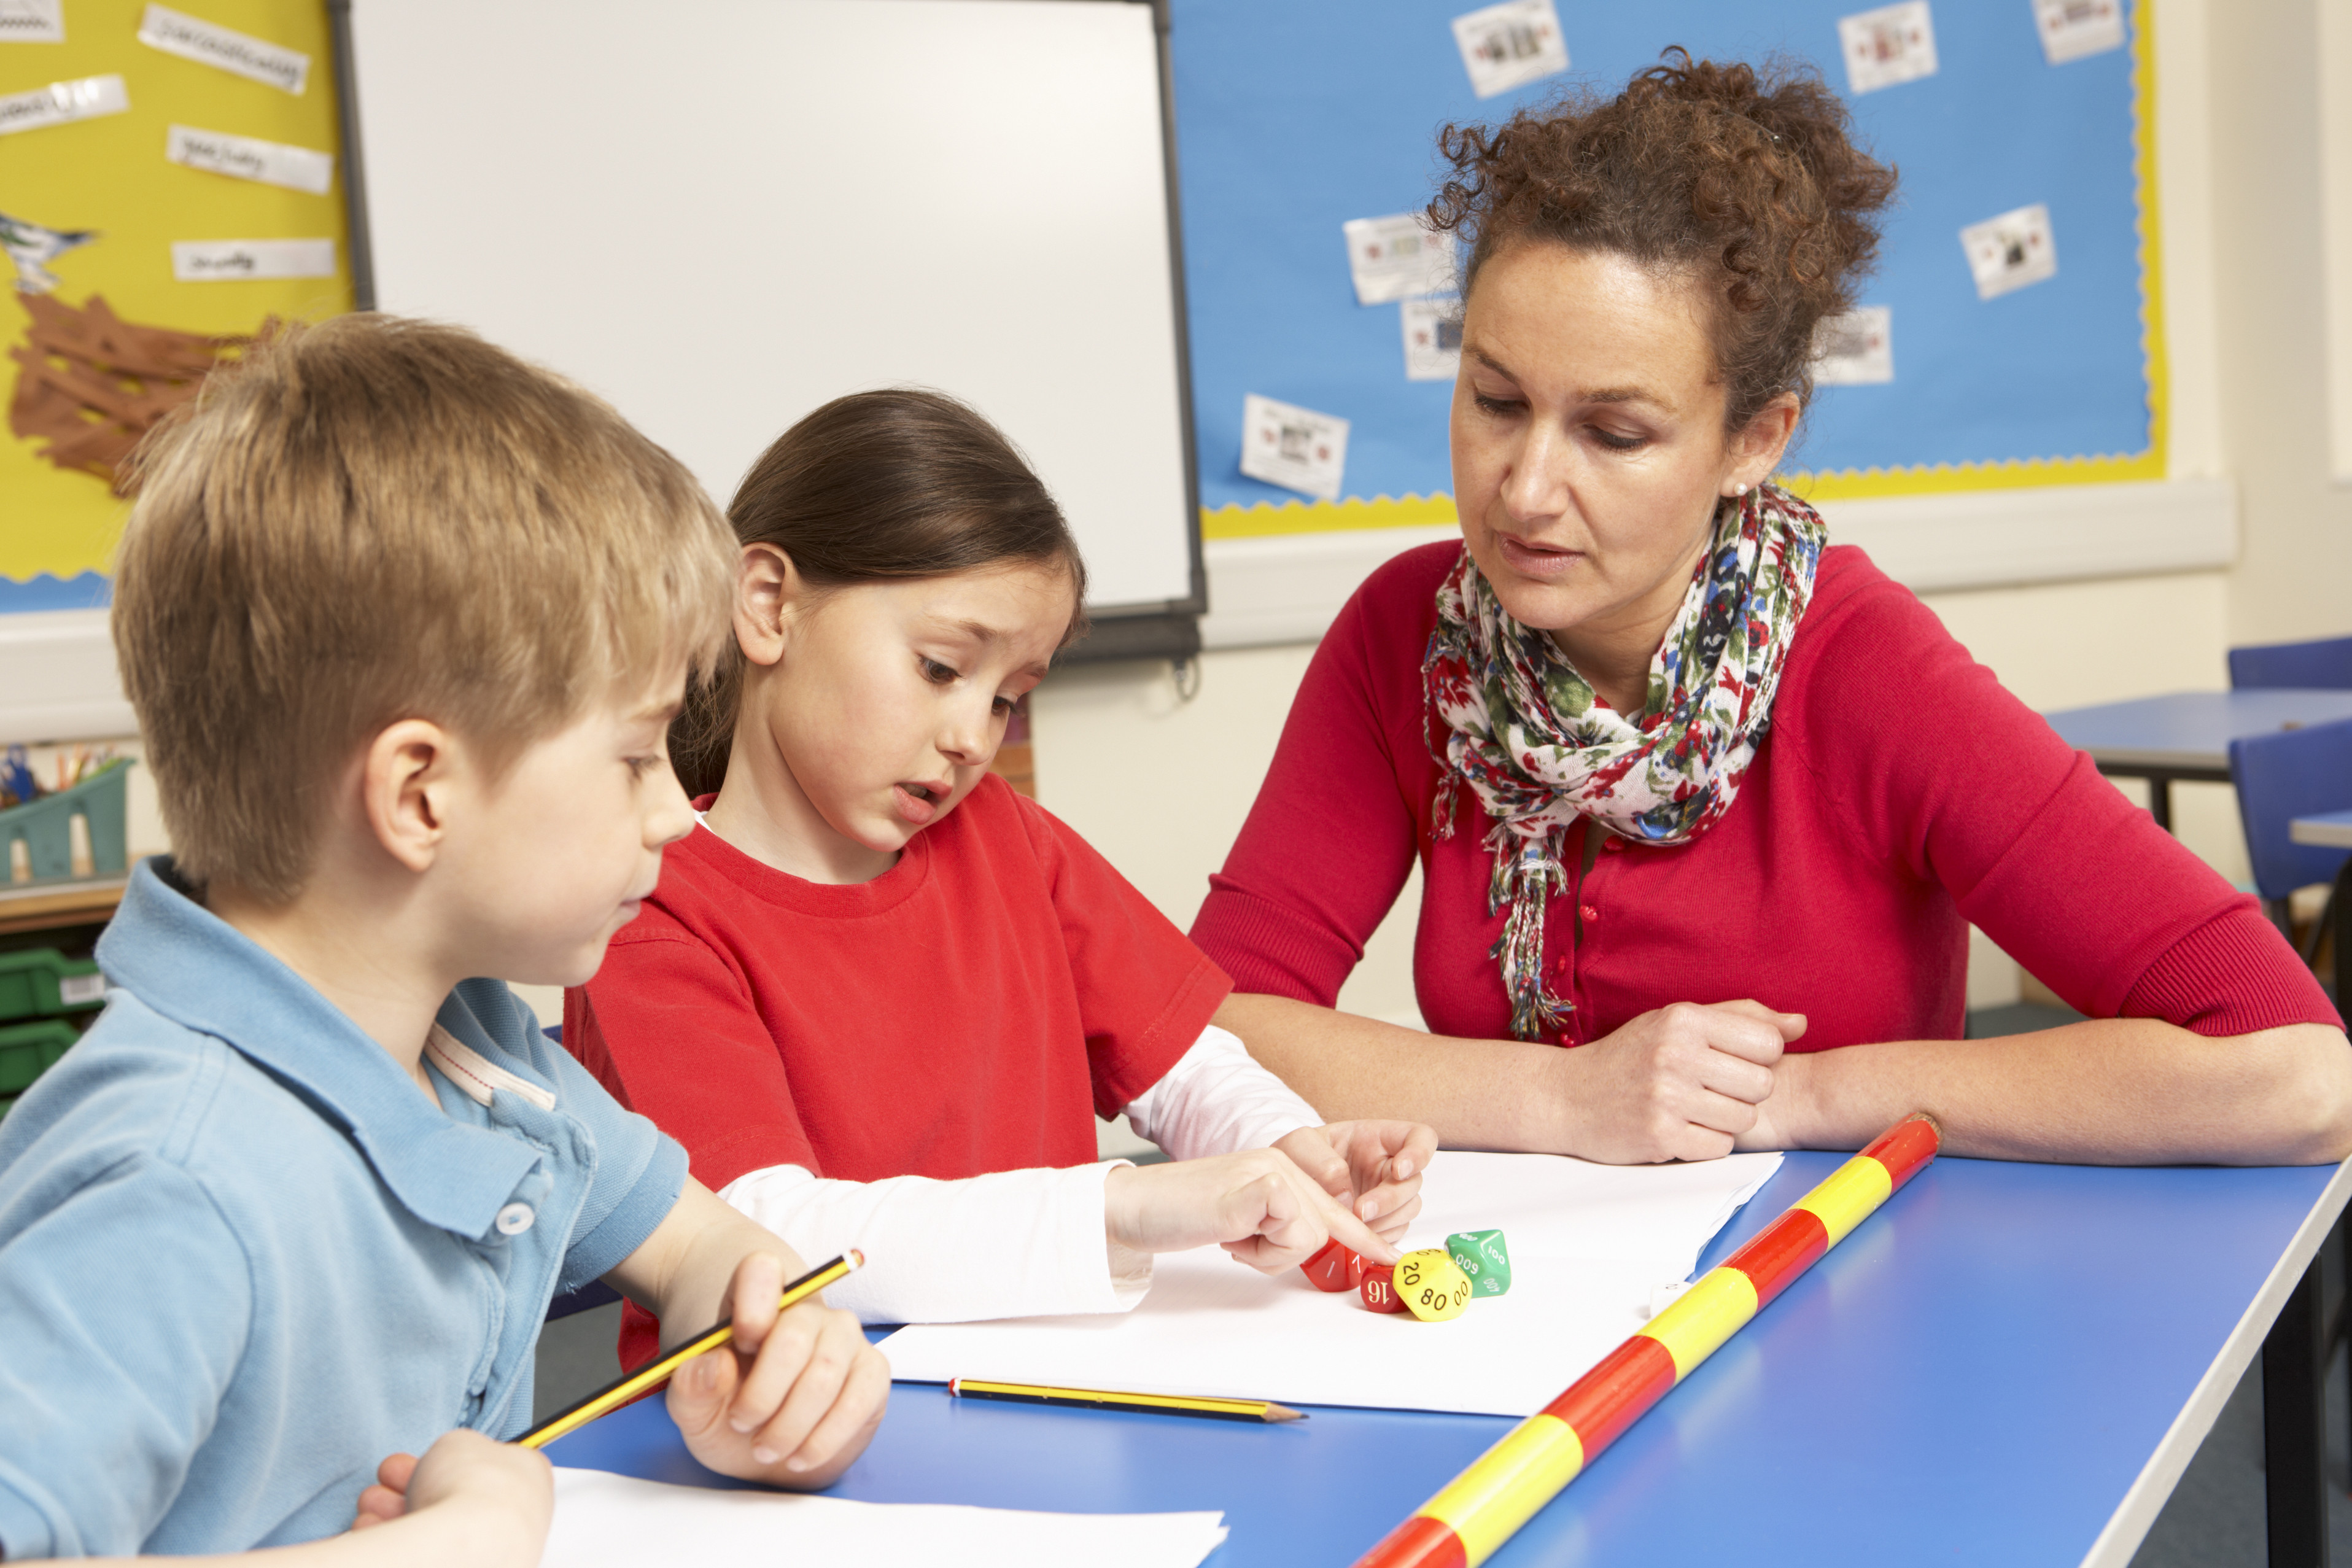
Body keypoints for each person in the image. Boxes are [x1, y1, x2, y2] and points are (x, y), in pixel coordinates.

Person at [1190, 52, 2352, 1168]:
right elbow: (1199, 1028)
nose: (1527, 488)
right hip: (1520, 1302)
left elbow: (2297, 1071)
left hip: (1830, 1287)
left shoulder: (1863, 667)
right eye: (1496, 399)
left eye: (1615, 432)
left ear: (1755, 439)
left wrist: (1799, 1095)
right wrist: (1566, 1095)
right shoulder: (1408, 635)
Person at [0, 316, 890, 1564]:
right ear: (420, 793)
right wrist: (466, 1537)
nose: (671, 813)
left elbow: (695, 1238)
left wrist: (753, 1347)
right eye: (636, 755)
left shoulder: (467, 1044)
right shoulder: (174, 1176)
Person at [565, 388, 1435, 1354]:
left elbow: (1186, 1064)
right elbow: (767, 1241)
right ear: (768, 605)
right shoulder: (642, 910)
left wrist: (1287, 1148)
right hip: (781, 1450)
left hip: (1047, 1388)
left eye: (1009, 699)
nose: (972, 736)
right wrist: (1124, 1206)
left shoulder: (1008, 840)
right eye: (941, 668)